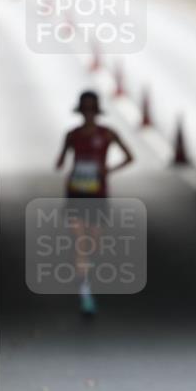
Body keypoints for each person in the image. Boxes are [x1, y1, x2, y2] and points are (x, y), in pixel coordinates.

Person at [55, 91, 134, 314]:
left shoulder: (107, 134)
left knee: (94, 244)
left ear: (96, 111)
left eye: (92, 109)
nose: (88, 114)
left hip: (97, 193)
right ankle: (85, 291)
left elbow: (130, 156)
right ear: (81, 111)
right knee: (80, 242)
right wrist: (64, 164)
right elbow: (60, 161)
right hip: (76, 192)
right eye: (85, 109)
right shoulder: (72, 135)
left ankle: (87, 276)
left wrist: (108, 169)